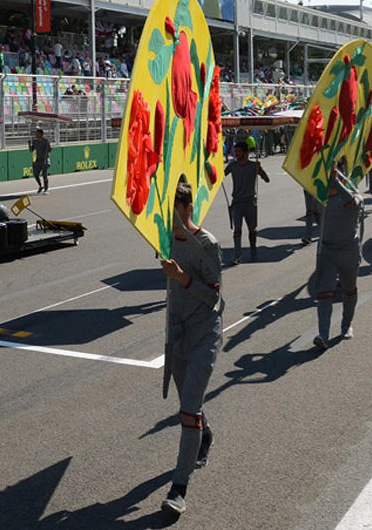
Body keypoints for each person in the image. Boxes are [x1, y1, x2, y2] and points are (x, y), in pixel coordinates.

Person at [158, 177, 225, 517]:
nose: (171, 222)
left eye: (175, 214)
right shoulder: (168, 240)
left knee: (187, 413)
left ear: (187, 208)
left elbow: (214, 295)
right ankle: (205, 433)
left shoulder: (207, 244)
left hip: (204, 336)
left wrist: (183, 277)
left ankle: (178, 488)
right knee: (190, 404)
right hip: (178, 334)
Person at [311, 160, 363, 350]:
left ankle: (347, 324)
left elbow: (351, 203)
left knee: (349, 290)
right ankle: (323, 334)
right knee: (324, 293)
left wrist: (337, 183)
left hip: (348, 250)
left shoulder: (355, 196)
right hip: (327, 252)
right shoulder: (321, 199)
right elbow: (317, 218)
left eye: (336, 174)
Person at [224, 140, 269, 264]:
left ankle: (253, 250)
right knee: (237, 230)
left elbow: (267, 180)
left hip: (250, 203)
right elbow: (220, 176)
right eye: (235, 151)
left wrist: (260, 170)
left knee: (252, 230)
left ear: (245, 152)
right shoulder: (232, 166)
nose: (236, 154)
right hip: (237, 203)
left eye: (239, 151)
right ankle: (237, 255)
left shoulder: (253, 166)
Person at [30, 128, 51, 193]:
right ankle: (40, 186)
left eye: (37, 133)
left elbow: (49, 150)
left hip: (45, 160)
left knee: (45, 175)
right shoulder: (35, 141)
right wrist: (29, 144)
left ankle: (46, 189)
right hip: (37, 160)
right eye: (36, 133)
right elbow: (31, 150)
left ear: (41, 134)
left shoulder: (46, 141)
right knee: (36, 174)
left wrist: (48, 148)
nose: (36, 134)